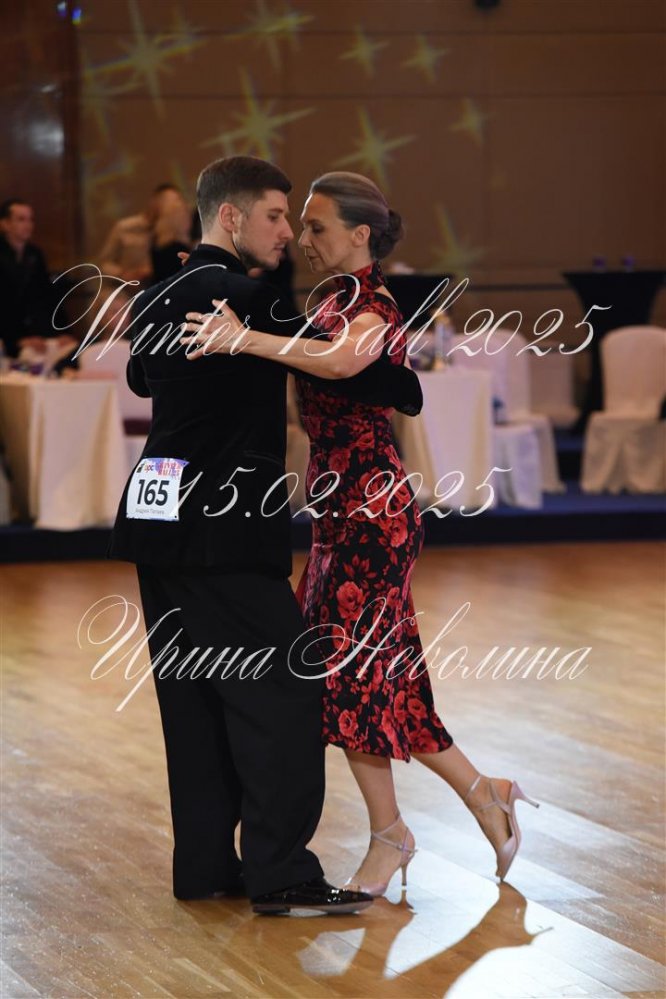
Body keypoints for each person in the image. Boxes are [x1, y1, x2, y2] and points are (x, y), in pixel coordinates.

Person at [182, 171, 540, 897]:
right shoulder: (331, 300)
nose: (303, 239)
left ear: (360, 234)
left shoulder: (371, 303)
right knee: (383, 679)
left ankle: (392, 834)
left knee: (347, 674)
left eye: (316, 227)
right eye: (300, 225)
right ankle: (484, 794)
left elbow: (347, 360)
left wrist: (243, 337)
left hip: (373, 514)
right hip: (338, 511)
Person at [108, 157, 374, 915]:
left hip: (156, 514)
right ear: (230, 217)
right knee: (287, 687)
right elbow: (343, 365)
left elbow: (141, 380)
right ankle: (281, 871)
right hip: (222, 523)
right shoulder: (249, 300)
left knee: (192, 699)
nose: (287, 232)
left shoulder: (156, 294)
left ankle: (204, 866)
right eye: (275, 216)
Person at [97, 184, 192, 285]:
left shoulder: (175, 236)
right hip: (123, 288)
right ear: (154, 202)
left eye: (178, 201)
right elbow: (104, 263)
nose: (177, 206)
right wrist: (123, 274)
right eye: (168, 201)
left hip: (156, 287)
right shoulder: (126, 227)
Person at [0, 199, 57, 358]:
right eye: (21, 219)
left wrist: (61, 332)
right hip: (7, 336)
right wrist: (15, 340)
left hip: (35, 332)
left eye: (30, 220)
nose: (28, 225)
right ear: (5, 224)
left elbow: (46, 295)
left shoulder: (35, 254)